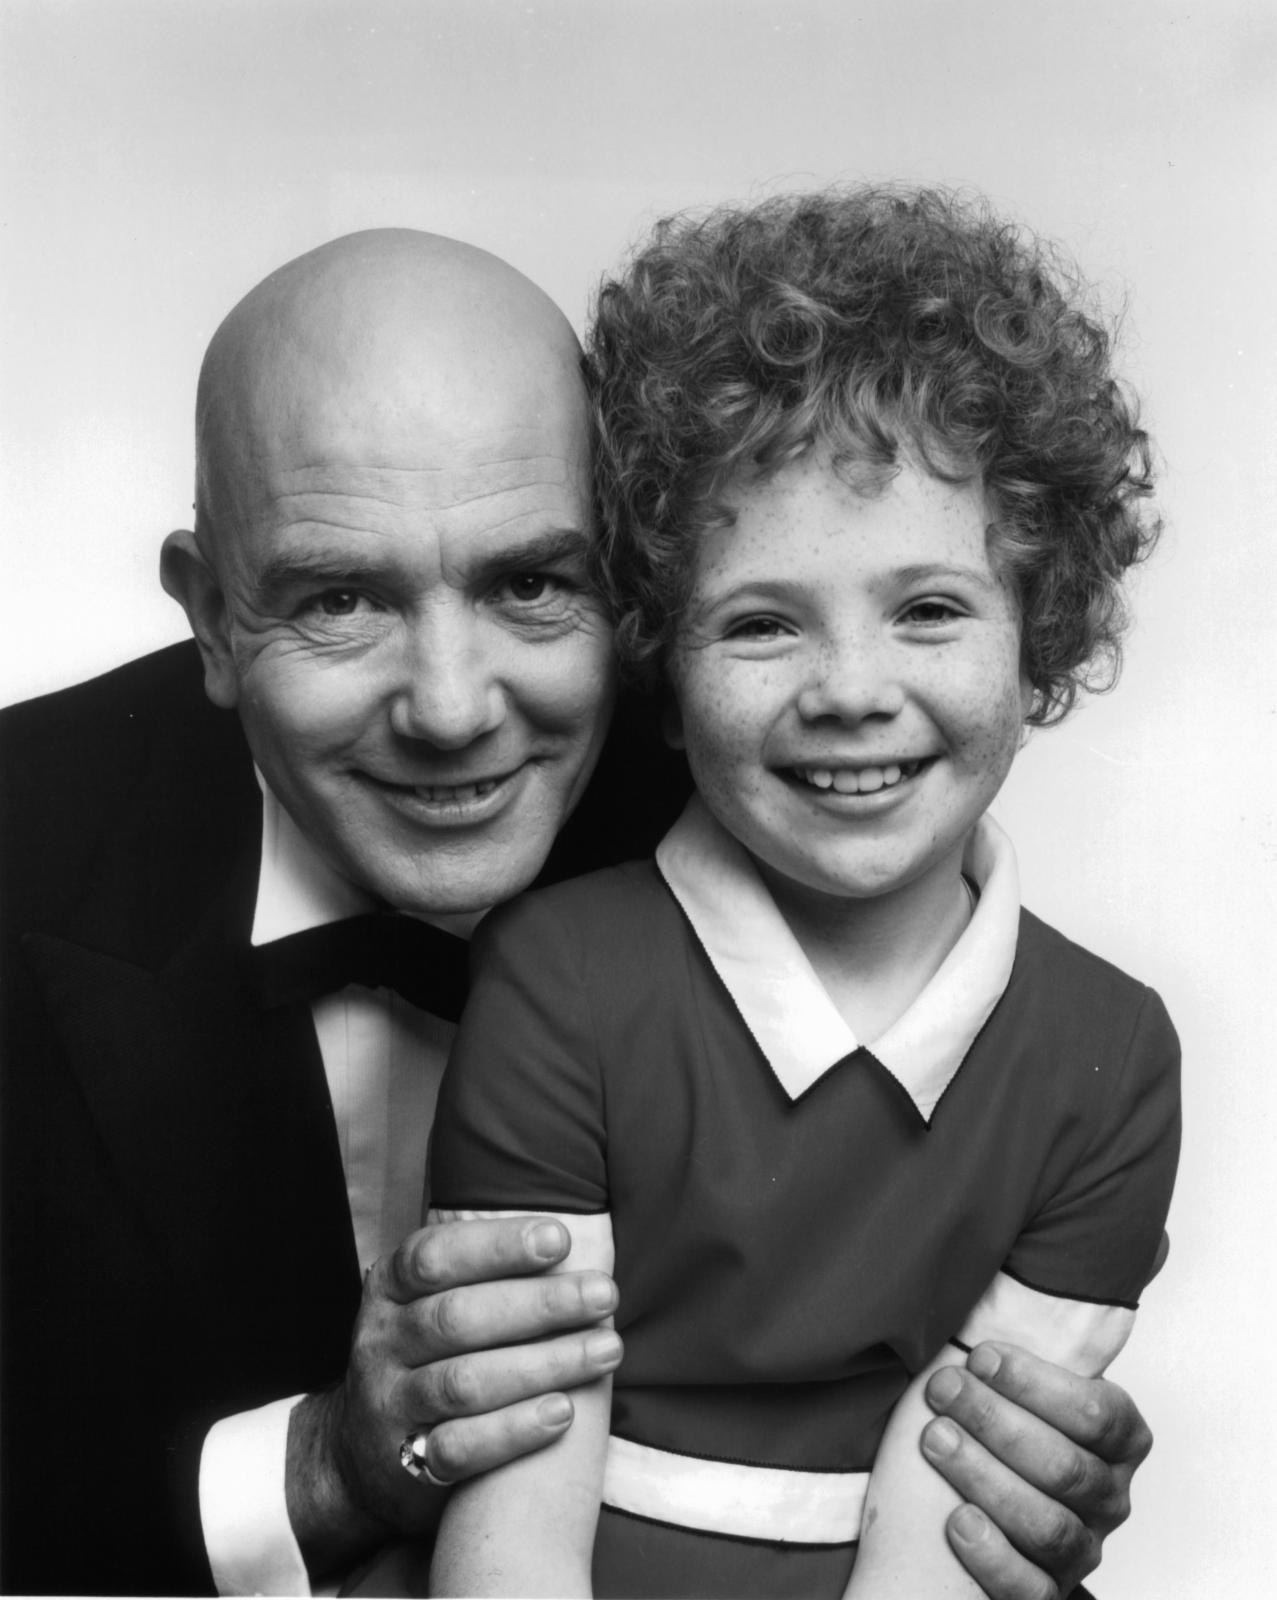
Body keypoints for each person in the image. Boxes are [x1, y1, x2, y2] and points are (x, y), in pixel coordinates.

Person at [0, 227, 1156, 1599]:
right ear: (208, 614)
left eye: (530, 583)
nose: (450, 709)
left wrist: (1007, 1493)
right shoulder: (27, 849)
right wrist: (317, 1471)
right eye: (341, 598)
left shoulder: (782, 798)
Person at [424, 190, 1181, 1598]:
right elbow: (515, 1486)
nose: (849, 691)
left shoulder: (1112, 1051)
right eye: (762, 623)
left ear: (1040, 632)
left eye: (929, 609)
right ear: (659, 663)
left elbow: (963, 1497)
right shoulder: (559, 976)